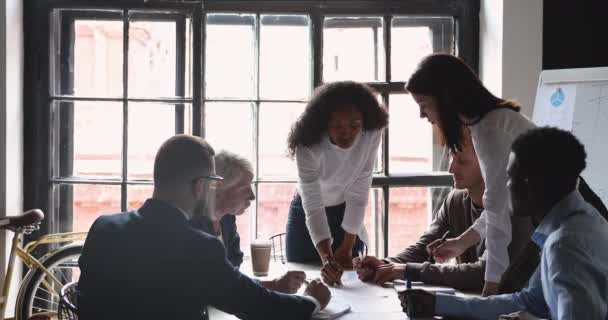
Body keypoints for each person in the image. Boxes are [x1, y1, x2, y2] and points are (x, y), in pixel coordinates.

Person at [77, 135, 331, 320]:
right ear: (200, 186)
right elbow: (258, 307)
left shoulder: (103, 227)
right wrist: (311, 301)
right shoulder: (199, 246)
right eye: (212, 181)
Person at [398, 127, 608, 320]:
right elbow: (529, 301)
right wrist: (438, 304)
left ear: (528, 185)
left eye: (509, 178)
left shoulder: (565, 244)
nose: (503, 187)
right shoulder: (574, 224)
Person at [405, 53, 538, 296]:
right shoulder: (490, 122)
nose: (422, 115)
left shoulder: (491, 128)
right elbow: (500, 205)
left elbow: (498, 212)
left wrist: (491, 289)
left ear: (444, 97)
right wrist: (460, 243)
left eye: (424, 105)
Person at [353, 133, 487, 291]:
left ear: (489, 164)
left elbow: (482, 274)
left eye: (462, 162)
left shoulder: (511, 209)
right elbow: (423, 249)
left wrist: (406, 270)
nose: (451, 168)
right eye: (452, 157)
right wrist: (385, 265)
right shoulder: (455, 200)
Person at [285, 81, 388, 286]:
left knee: (352, 282)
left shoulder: (372, 132)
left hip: (345, 207)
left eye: (354, 125)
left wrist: (347, 245)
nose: (346, 132)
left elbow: (360, 189)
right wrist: (327, 257)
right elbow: (312, 205)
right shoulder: (308, 145)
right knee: (302, 275)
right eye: (337, 125)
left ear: (364, 122)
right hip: (308, 208)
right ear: (324, 124)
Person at [192, 150, 306, 294]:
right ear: (219, 188)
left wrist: (272, 285)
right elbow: (214, 289)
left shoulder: (227, 219)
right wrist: (274, 286)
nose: (252, 196)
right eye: (245, 187)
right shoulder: (194, 228)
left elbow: (233, 275)